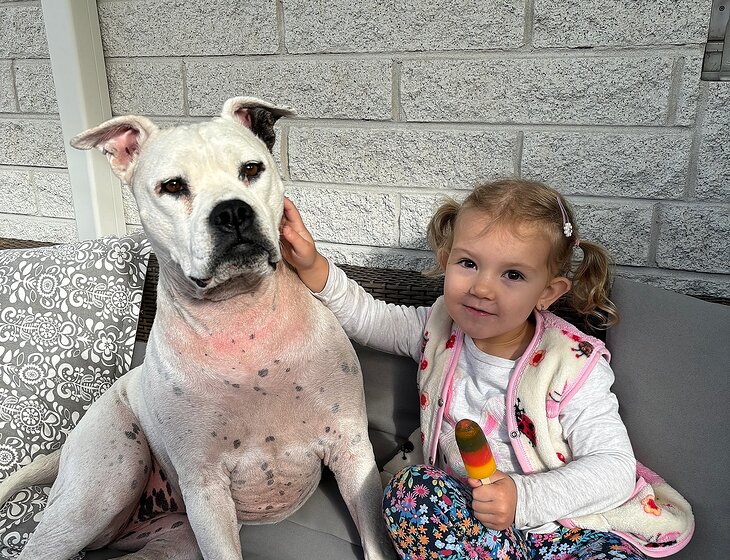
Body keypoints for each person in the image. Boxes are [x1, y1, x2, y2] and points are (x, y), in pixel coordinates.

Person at [280, 179, 692, 560]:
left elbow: (614, 469)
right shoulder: (438, 329)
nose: (481, 288)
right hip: (479, 529)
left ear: (547, 292)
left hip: (572, 529)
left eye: (512, 274)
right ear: (446, 261)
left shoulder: (572, 363)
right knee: (409, 492)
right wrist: (313, 266)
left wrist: (522, 498)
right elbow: (371, 318)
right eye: (468, 263)